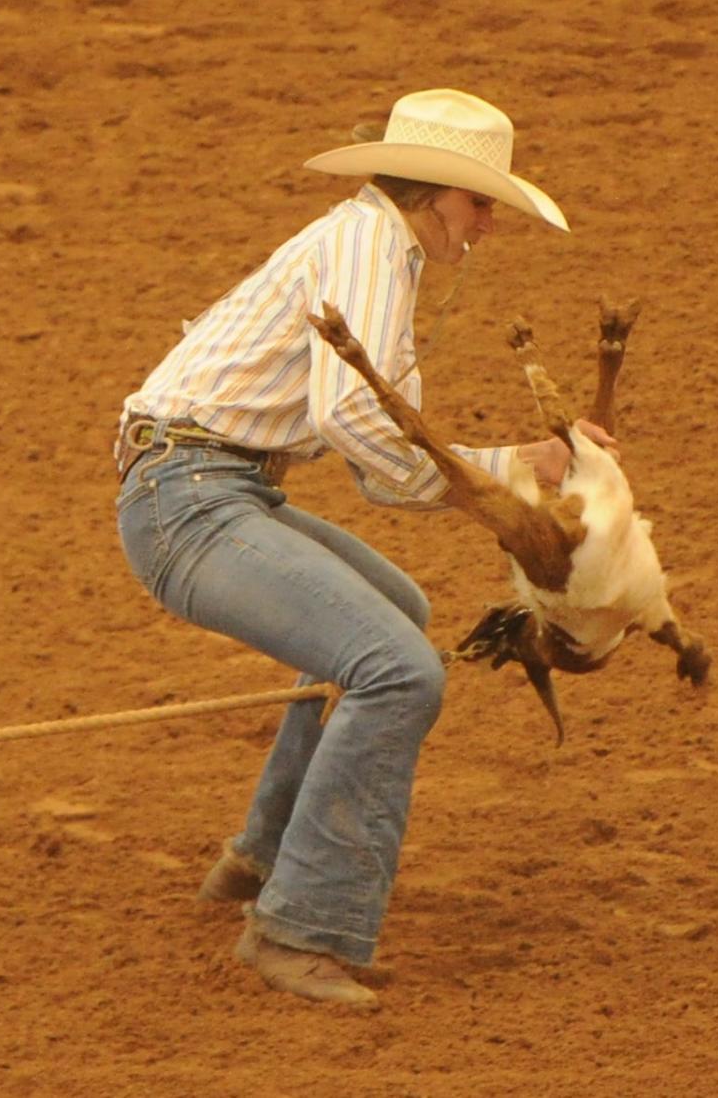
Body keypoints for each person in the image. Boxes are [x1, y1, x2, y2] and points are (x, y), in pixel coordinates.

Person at [115, 88, 603, 1009]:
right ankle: (299, 925)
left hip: (196, 484)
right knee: (400, 668)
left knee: (398, 622)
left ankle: (261, 863)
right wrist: (503, 485)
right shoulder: (373, 249)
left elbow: (384, 452)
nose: (488, 223)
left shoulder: (368, 245)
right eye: (480, 201)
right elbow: (358, 424)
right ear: (434, 192)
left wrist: (519, 468)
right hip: (189, 496)